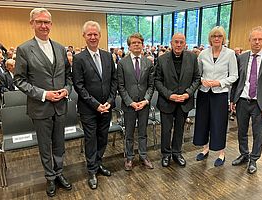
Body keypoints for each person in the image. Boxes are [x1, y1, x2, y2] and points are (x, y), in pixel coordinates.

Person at [14, 8, 73, 197]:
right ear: (31, 24)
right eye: (39, 22)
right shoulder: (24, 49)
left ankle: (59, 173)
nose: (43, 25)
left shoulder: (60, 47)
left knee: (59, 144)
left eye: (47, 22)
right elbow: (19, 80)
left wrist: (66, 90)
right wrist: (44, 94)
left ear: (51, 24)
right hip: (41, 107)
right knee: (45, 146)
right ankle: (50, 177)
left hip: (60, 106)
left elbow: (69, 77)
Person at [72, 21, 117, 189]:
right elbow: (79, 86)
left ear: (100, 36)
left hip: (107, 107)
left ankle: (98, 163)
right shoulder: (78, 59)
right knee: (91, 139)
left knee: (102, 137)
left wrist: (110, 101)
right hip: (89, 109)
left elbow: (114, 80)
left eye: (95, 34)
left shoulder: (107, 56)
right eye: (89, 34)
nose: (92, 37)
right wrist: (96, 104)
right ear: (84, 36)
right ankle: (91, 170)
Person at [230, 26, 262, 174]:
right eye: (254, 39)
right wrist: (233, 100)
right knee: (241, 131)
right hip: (243, 101)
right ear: (249, 40)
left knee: (258, 133)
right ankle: (244, 154)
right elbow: (237, 81)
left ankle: (254, 159)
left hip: (260, 103)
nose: (257, 42)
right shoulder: (242, 57)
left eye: (260, 39)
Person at [193, 26, 238, 167]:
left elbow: (234, 76)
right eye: (214, 36)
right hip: (204, 93)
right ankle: (205, 149)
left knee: (218, 123)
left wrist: (219, 82)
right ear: (210, 38)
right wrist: (202, 80)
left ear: (223, 38)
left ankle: (221, 153)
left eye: (219, 36)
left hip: (220, 94)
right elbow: (197, 74)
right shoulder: (203, 54)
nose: (216, 38)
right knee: (202, 122)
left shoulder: (230, 54)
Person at [155, 33, 201, 167]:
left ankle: (176, 153)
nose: (179, 45)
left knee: (180, 129)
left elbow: (197, 78)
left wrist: (188, 93)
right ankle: (165, 154)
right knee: (166, 130)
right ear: (171, 43)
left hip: (184, 101)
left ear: (185, 43)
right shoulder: (162, 59)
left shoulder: (192, 58)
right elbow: (157, 80)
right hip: (167, 101)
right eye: (176, 42)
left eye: (181, 42)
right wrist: (169, 95)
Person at [117, 33, 155, 171]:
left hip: (144, 104)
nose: (137, 45)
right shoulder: (122, 63)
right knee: (129, 133)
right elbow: (120, 86)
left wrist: (146, 100)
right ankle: (129, 157)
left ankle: (143, 156)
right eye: (133, 43)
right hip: (129, 105)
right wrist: (130, 102)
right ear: (129, 46)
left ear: (142, 45)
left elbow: (151, 85)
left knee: (143, 132)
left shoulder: (148, 62)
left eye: (139, 42)